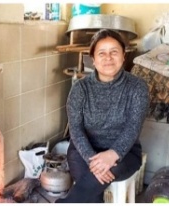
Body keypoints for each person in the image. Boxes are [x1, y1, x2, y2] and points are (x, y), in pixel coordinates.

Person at [55, 29, 149, 203]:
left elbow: (133, 128)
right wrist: (93, 159)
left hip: (125, 153)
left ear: (123, 56)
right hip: (83, 151)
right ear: (93, 59)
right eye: (102, 53)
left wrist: (113, 154)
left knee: (95, 179)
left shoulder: (137, 87)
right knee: (91, 176)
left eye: (114, 52)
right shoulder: (80, 89)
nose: (108, 58)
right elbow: (76, 129)